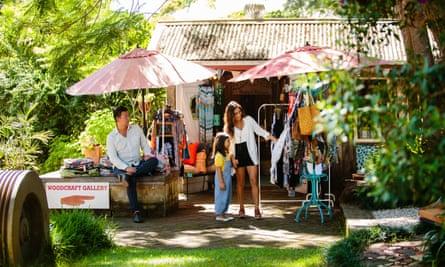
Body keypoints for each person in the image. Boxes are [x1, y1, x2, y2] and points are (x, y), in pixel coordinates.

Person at [224, 101, 277, 219]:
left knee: (253, 181)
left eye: (239, 112)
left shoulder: (248, 120)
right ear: (231, 115)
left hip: (250, 154)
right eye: (236, 113)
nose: (238, 115)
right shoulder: (229, 128)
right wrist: (232, 158)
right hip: (238, 155)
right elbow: (229, 146)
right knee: (240, 183)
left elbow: (260, 131)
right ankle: (241, 208)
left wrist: (274, 139)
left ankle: (257, 209)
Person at [107, 106, 158, 223]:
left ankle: (128, 175)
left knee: (154, 161)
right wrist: (126, 168)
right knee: (130, 179)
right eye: (125, 116)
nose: (128, 118)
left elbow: (145, 145)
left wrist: (147, 154)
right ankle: (136, 212)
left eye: (128, 116)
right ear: (117, 119)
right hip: (121, 167)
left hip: (137, 164)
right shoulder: (111, 137)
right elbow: (113, 158)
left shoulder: (136, 129)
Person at [213, 132, 234, 222]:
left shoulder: (226, 154)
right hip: (221, 179)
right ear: (222, 143)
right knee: (221, 196)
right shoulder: (219, 156)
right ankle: (219, 214)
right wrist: (221, 182)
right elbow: (218, 170)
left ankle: (223, 213)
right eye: (227, 141)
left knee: (226, 196)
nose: (229, 143)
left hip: (227, 179)